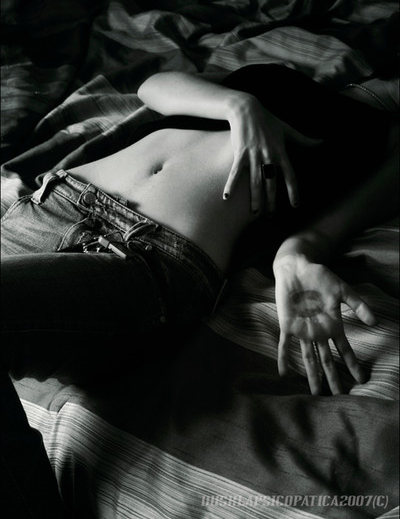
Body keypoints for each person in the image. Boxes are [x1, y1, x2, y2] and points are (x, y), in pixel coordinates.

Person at [0, 64, 398, 514]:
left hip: (148, 254)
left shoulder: (383, 139)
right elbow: (153, 86)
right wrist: (239, 105)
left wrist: (293, 257)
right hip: (50, 205)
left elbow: (323, 232)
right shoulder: (276, 79)